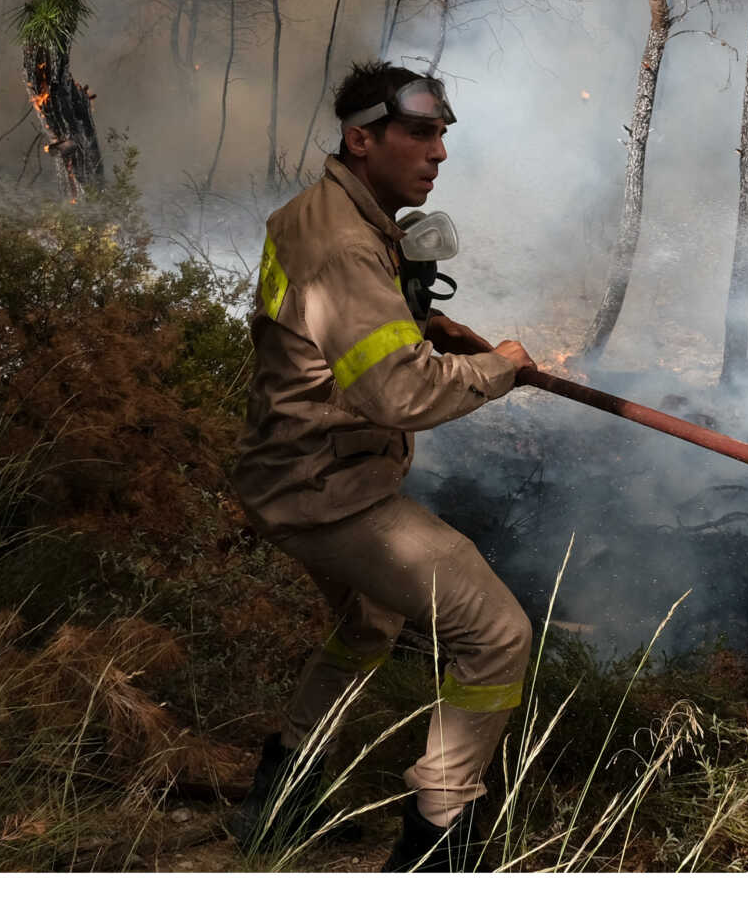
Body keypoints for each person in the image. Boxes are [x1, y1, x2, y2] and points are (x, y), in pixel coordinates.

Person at [227, 60, 538, 872]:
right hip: (327, 490)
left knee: (368, 621)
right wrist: (499, 367)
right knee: (497, 631)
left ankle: (280, 803)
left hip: (285, 465)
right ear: (362, 138)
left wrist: (424, 322)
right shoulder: (341, 243)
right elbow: (397, 393)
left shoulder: (323, 215)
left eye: (443, 134)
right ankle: (438, 836)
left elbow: (338, 336)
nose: (438, 152)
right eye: (420, 133)